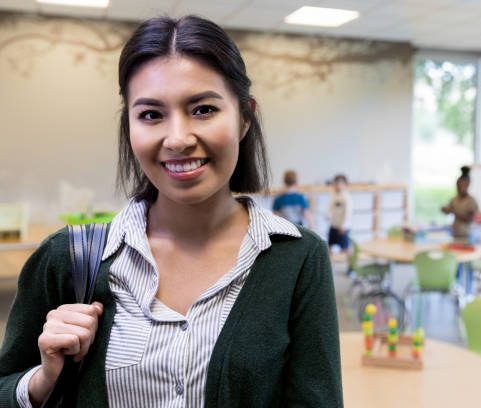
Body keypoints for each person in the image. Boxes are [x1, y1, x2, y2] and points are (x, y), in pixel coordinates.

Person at [0, 15, 342, 408]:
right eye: (151, 115)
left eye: (203, 109)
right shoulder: (69, 259)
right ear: (128, 127)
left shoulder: (297, 258)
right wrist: (43, 380)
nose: (177, 139)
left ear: (245, 115)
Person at [441, 166, 479, 242]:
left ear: (467, 185)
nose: (459, 188)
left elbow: (470, 219)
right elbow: (448, 210)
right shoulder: (454, 199)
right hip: (455, 234)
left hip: (466, 236)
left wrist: (454, 212)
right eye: (458, 185)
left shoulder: (471, 201)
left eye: (462, 185)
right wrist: (445, 210)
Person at [328, 174, 353, 256]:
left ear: (345, 185)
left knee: (345, 247)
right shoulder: (333, 195)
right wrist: (328, 215)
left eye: (340, 184)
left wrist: (344, 225)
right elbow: (330, 207)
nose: (338, 186)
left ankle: (350, 266)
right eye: (336, 183)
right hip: (334, 225)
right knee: (329, 246)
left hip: (343, 227)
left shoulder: (346, 197)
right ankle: (329, 265)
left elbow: (348, 212)